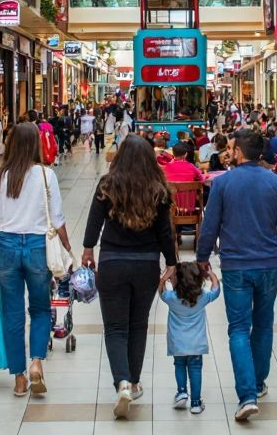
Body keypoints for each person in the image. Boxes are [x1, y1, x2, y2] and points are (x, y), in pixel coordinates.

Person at [196, 129, 277, 422]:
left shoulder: (223, 183)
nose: (228, 152)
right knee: (263, 325)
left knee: (239, 328)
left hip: (235, 266)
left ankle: (247, 395)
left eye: (231, 148)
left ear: (239, 152)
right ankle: (258, 381)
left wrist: (203, 257)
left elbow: (210, 224)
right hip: (268, 264)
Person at [81, 135, 177, 419]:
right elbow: (165, 232)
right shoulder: (158, 190)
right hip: (146, 265)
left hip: (112, 263)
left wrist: (88, 249)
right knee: (138, 326)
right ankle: (134, 382)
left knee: (115, 328)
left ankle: (121, 382)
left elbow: (94, 221)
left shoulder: (107, 185)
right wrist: (171, 263)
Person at [0, 122, 71, 396]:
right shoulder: (46, 175)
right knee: (39, 309)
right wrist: (68, 248)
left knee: (12, 313)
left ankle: (19, 378)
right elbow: (57, 219)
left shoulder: (0, 174)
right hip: (37, 247)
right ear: (36, 143)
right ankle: (36, 361)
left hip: (6, 246)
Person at [161, 262, 221, 415]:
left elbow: (160, 292)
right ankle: (195, 402)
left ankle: (181, 392)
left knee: (179, 365)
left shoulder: (171, 298)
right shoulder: (202, 297)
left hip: (177, 344)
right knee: (195, 370)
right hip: (196, 344)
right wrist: (212, 275)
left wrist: (164, 278)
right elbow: (216, 291)